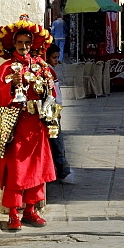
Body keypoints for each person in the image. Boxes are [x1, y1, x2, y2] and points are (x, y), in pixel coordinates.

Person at [0, 14, 57, 230]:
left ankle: (30, 210)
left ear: (33, 44)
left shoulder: (41, 66)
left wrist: (48, 84)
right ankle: (13, 213)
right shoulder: (7, 68)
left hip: (37, 125)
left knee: (38, 169)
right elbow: (1, 98)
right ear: (13, 45)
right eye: (19, 43)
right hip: (17, 125)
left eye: (27, 43)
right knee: (16, 170)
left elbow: (52, 95)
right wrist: (13, 85)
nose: (23, 46)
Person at [46, 43, 76, 185]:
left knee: (57, 142)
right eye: (54, 57)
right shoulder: (48, 72)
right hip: (51, 112)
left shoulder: (51, 72)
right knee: (57, 142)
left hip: (54, 111)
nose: (56, 60)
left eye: (57, 57)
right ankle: (62, 171)